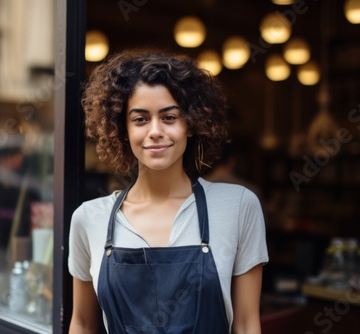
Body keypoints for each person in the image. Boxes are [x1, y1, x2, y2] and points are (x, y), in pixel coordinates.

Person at [68, 50, 269, 334]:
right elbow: (84, 324)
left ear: (191, 124)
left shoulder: (237, 207)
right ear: (122, 129)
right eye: (140, 119)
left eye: (169, 117)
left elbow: (247, 324)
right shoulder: (89, 218)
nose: (155, 131)